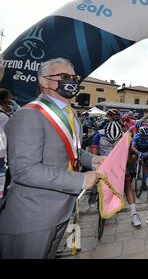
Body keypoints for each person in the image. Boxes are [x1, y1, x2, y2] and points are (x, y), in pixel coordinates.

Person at [0, 58, 104, 258]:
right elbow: (24, 170)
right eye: (64, 77)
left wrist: (92, 160)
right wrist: (81, 179)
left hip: (61, 212)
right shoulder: (29, 114)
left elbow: (73, 151)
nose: (71, 81)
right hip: (33, 218)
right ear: (45, 82)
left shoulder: (71, 114)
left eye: (74, 77)